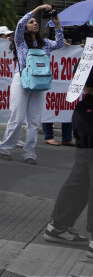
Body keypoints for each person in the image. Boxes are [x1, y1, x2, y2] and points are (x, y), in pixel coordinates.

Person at [0, 4, 65, 165]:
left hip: (39, 82)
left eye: (36, 22)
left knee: (34, 121)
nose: (34, 23)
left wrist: (57, 23)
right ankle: (6, 148)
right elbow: (20, 23)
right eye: (31, 22)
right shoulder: (20, 41)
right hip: (21, 79)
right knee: (17, 118)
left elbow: (59, 43)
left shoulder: (45, 43)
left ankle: (29, 153)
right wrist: (39, 8)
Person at [42, 66, 93, 250]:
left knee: (81, 178)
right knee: (81, 178)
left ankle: (58, 227)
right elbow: (83, 75)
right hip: (88, 112)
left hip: (86, 113)